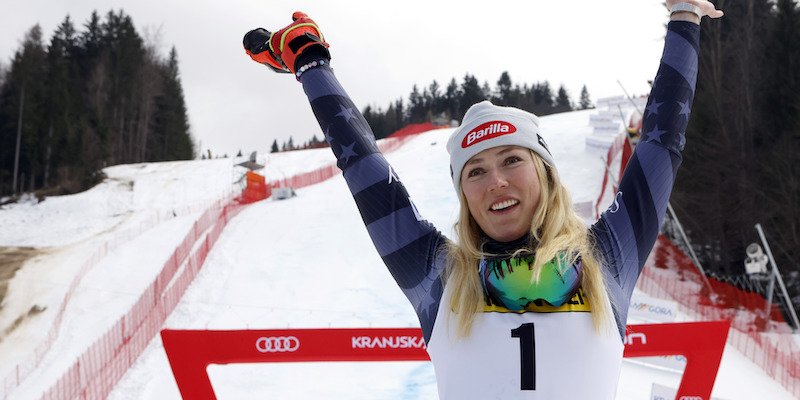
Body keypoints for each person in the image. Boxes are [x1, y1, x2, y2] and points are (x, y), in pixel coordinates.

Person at [243, 2, 723, 398]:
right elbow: (363, 165)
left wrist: (685, 16)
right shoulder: (436, 275)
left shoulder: (607, 259)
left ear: (546, 173)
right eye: (475, 171)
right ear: (464, 194)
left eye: (513, 159)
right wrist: (310, 64)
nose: (495, 182)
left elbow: (661, 145)